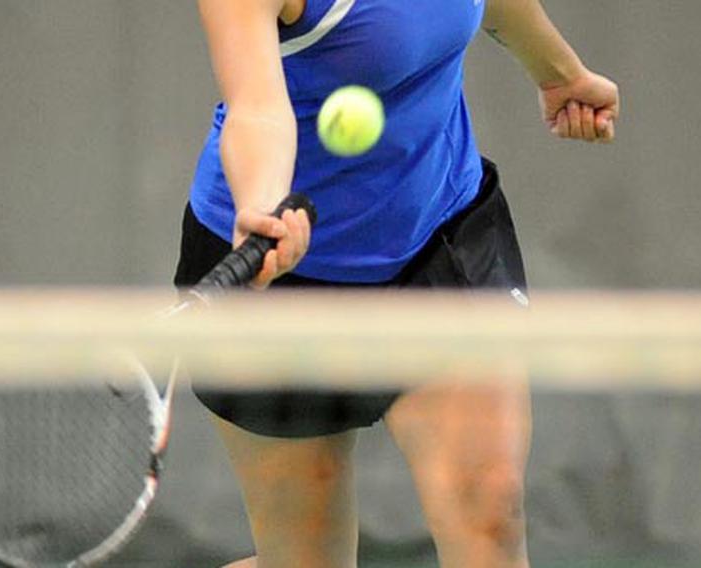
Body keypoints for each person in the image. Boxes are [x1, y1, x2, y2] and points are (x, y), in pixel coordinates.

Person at [175, 0, 619, 566]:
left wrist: (562, 75)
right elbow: (258, 110)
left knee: (491, 514)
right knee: (305, 559)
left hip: (439, 238)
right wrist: (262, 206)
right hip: (281, 275)